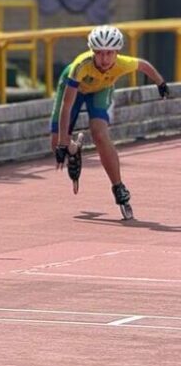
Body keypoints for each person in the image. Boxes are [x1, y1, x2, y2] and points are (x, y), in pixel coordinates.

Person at [50, 25, 169, 220]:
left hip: (100, 90)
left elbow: (144, 66)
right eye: (99, 53)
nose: (104, 59)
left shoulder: (123, 63)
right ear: (92, 52)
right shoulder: (80, 66)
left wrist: (161, 83)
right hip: (74, 89)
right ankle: (73, 148)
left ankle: (118, 186)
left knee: (99, 133)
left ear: (117, 52)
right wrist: (64, 142)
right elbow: (67, 106)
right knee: (55, 144)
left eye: (109, 53)